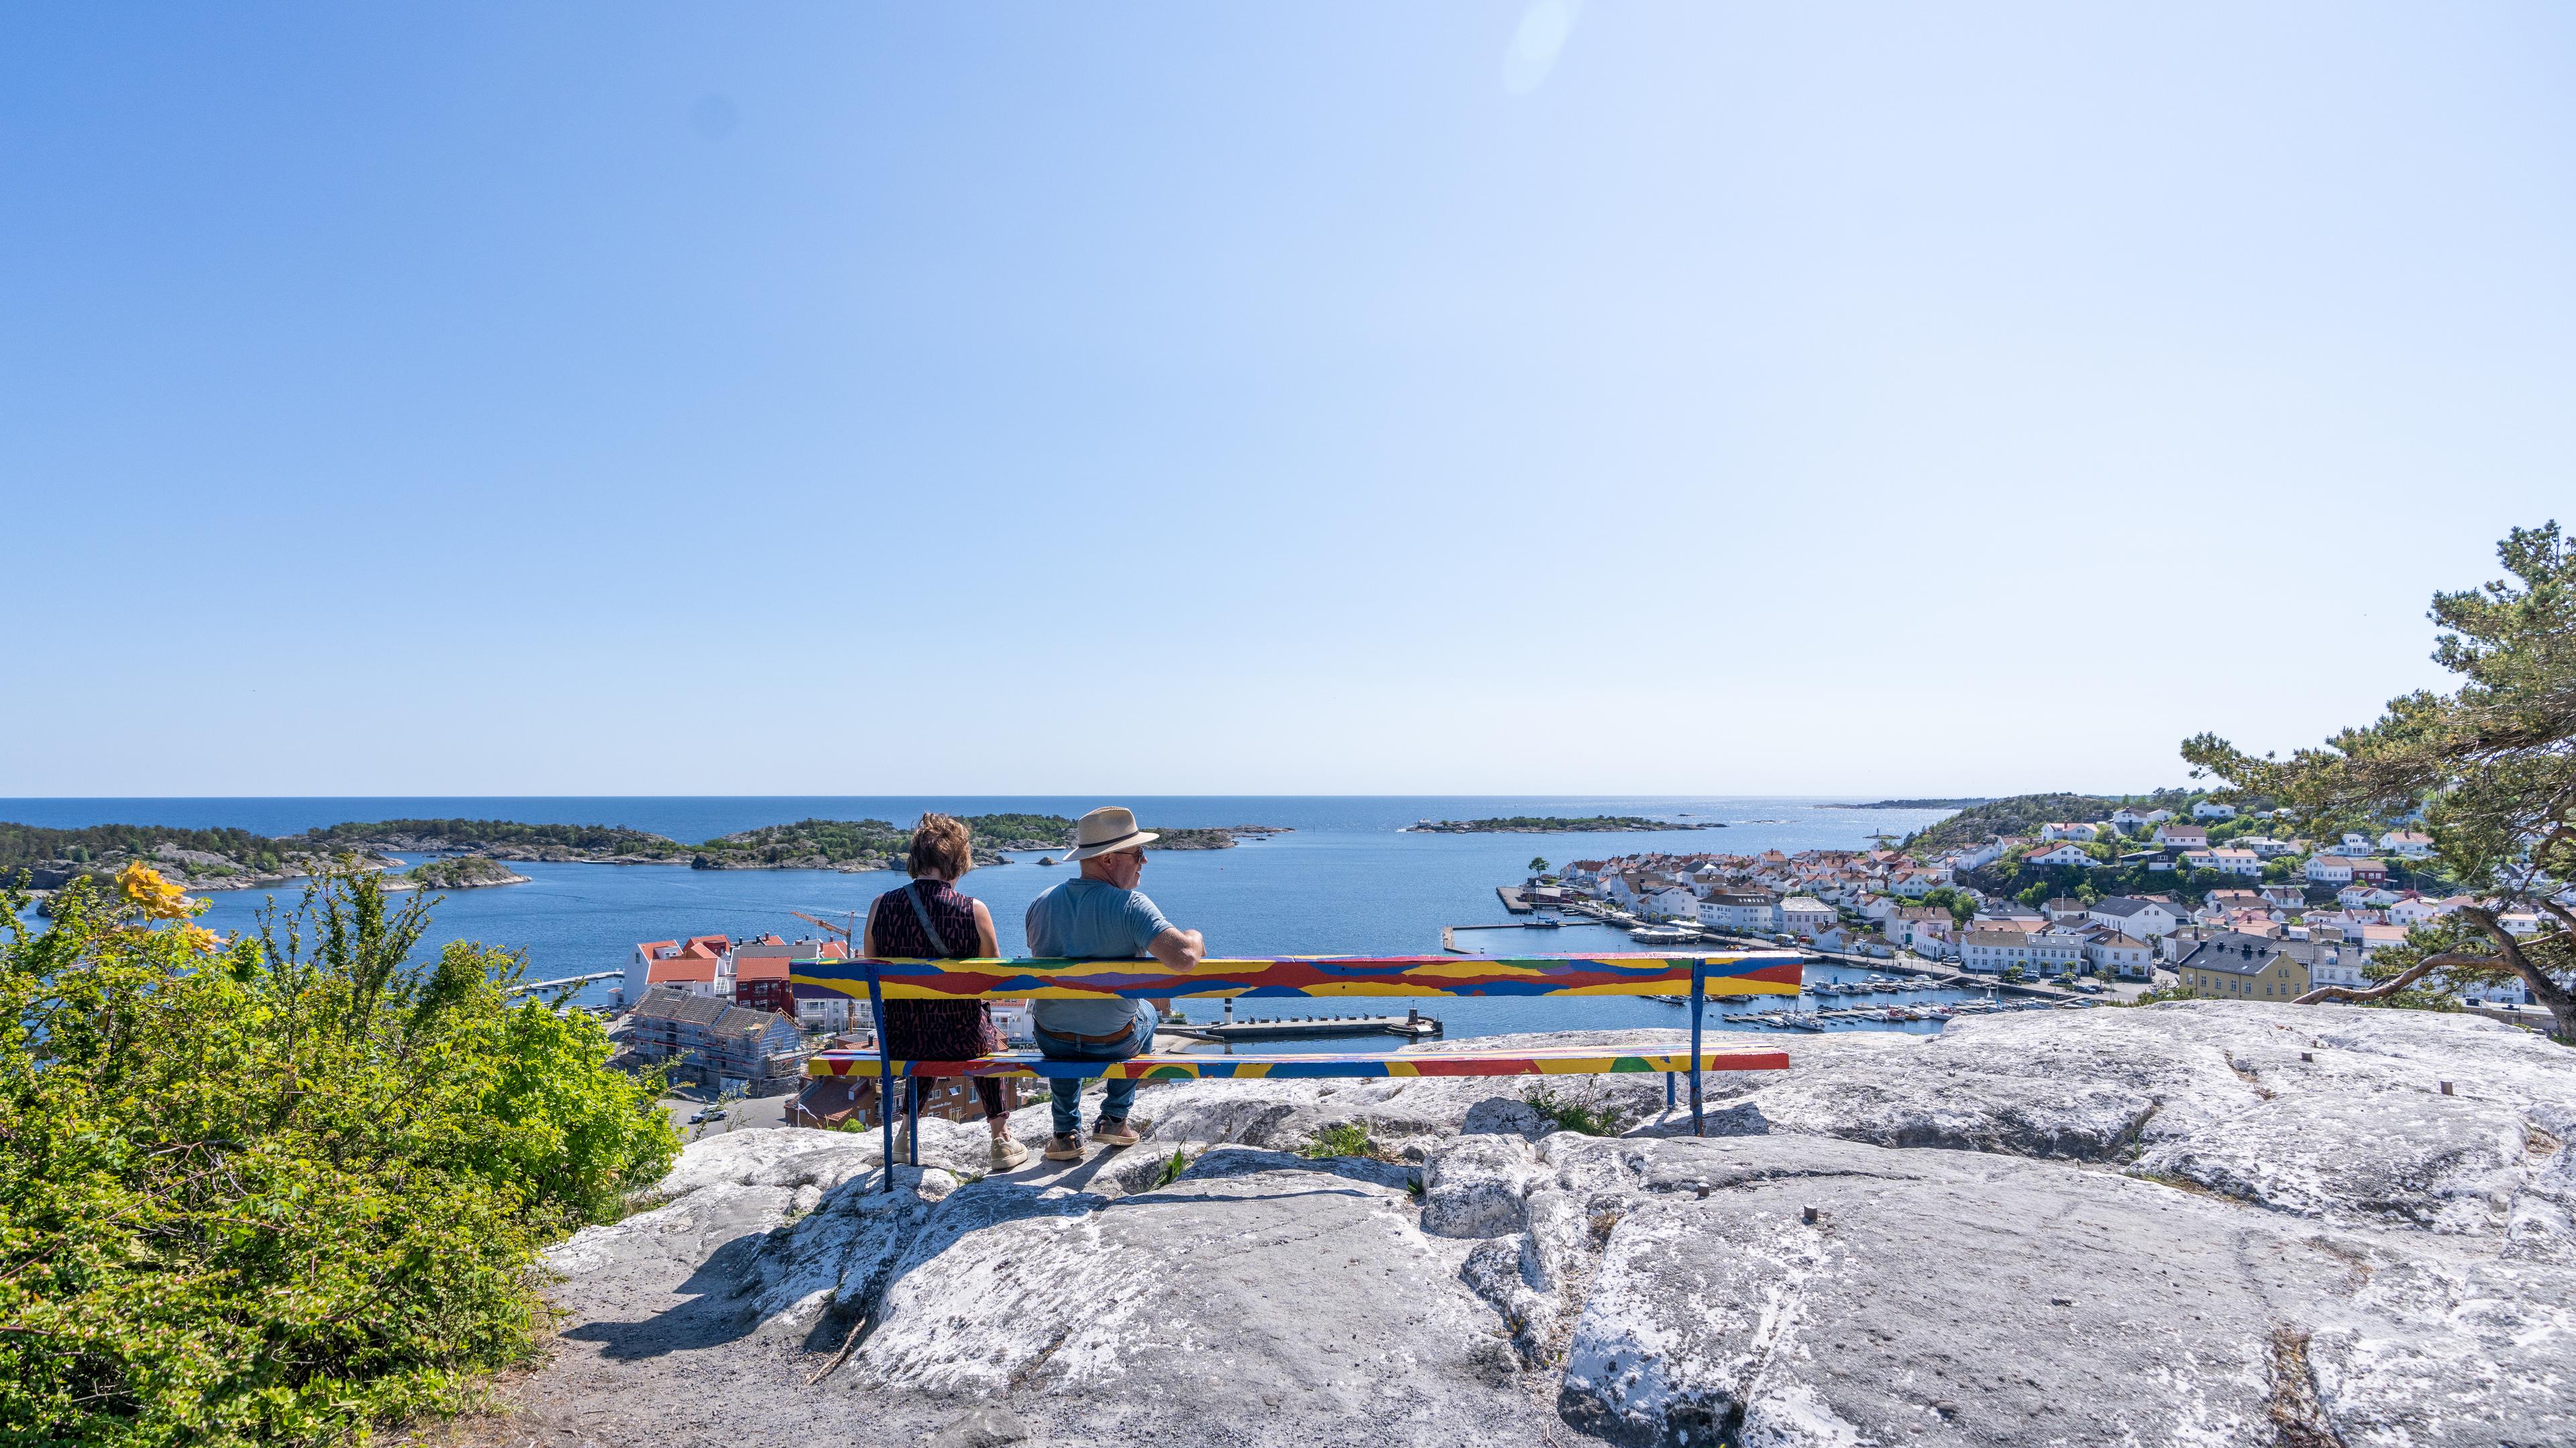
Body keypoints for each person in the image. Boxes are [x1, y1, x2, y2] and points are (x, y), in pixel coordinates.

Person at [1024, 805, 1205, 1162]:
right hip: (1111, 1043)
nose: (1145, 861)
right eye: (1138, 853)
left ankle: (1065, 1135)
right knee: (1149, 1016)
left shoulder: (1040, 904)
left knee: (1063, 1018)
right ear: (1107, 860)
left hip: (1051, 1037)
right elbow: (1184, 958)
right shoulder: (1131, 906)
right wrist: (1195, 936)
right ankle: (1114, 1118)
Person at [861, 813, 1030, 1172]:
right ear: (957, 862)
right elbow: (992, 981)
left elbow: (871, 970)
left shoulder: (880, 907)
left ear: (917, 861)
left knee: (924, 1024)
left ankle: (907, 1134)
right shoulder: (974, 910)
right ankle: (1000, 1138)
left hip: (902, 1040)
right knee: (985, 1033)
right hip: (963, 1039)